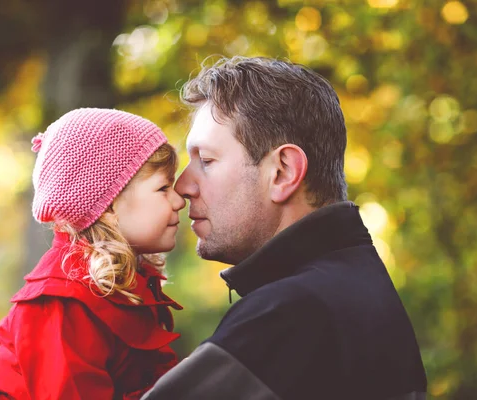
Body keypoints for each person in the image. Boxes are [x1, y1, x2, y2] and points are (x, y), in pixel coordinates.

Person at [142, 57, 427, 400]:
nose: (183, 186)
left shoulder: (291, 314)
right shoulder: (360, 290)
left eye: (206, 161)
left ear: (282, 172)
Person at [0, 108, 186, 399]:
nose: (180, 200)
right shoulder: (62, 301)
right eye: (163, 188)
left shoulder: (124, 279)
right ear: (109, 205)